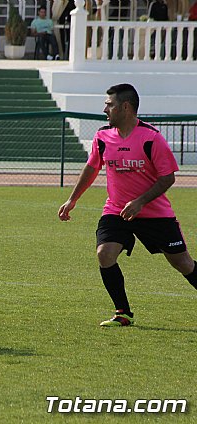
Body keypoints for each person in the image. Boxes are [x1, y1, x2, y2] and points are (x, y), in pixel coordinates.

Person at [58, 83, 197, 327]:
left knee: (182, 263)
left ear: (125, 107)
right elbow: (92, 167)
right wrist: (73, 199)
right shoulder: (102, 137)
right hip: (116, 210)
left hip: (154, 213)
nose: (105, 109)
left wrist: (140, 202)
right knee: (105, 254)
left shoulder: (151, 139)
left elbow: (168, 177)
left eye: (109, 105)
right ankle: (123, 313)